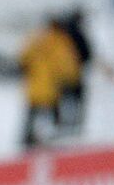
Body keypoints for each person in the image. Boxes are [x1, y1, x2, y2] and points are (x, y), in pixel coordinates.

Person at [18, 17, 80, 150]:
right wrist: (72, 78)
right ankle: (50, 138)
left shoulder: (36, 38)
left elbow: (22, 58)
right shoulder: (61, 41)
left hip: (35, 85)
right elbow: (66, 65)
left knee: (32, 113)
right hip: (52, 86)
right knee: (53, 114)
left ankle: (28, 139)